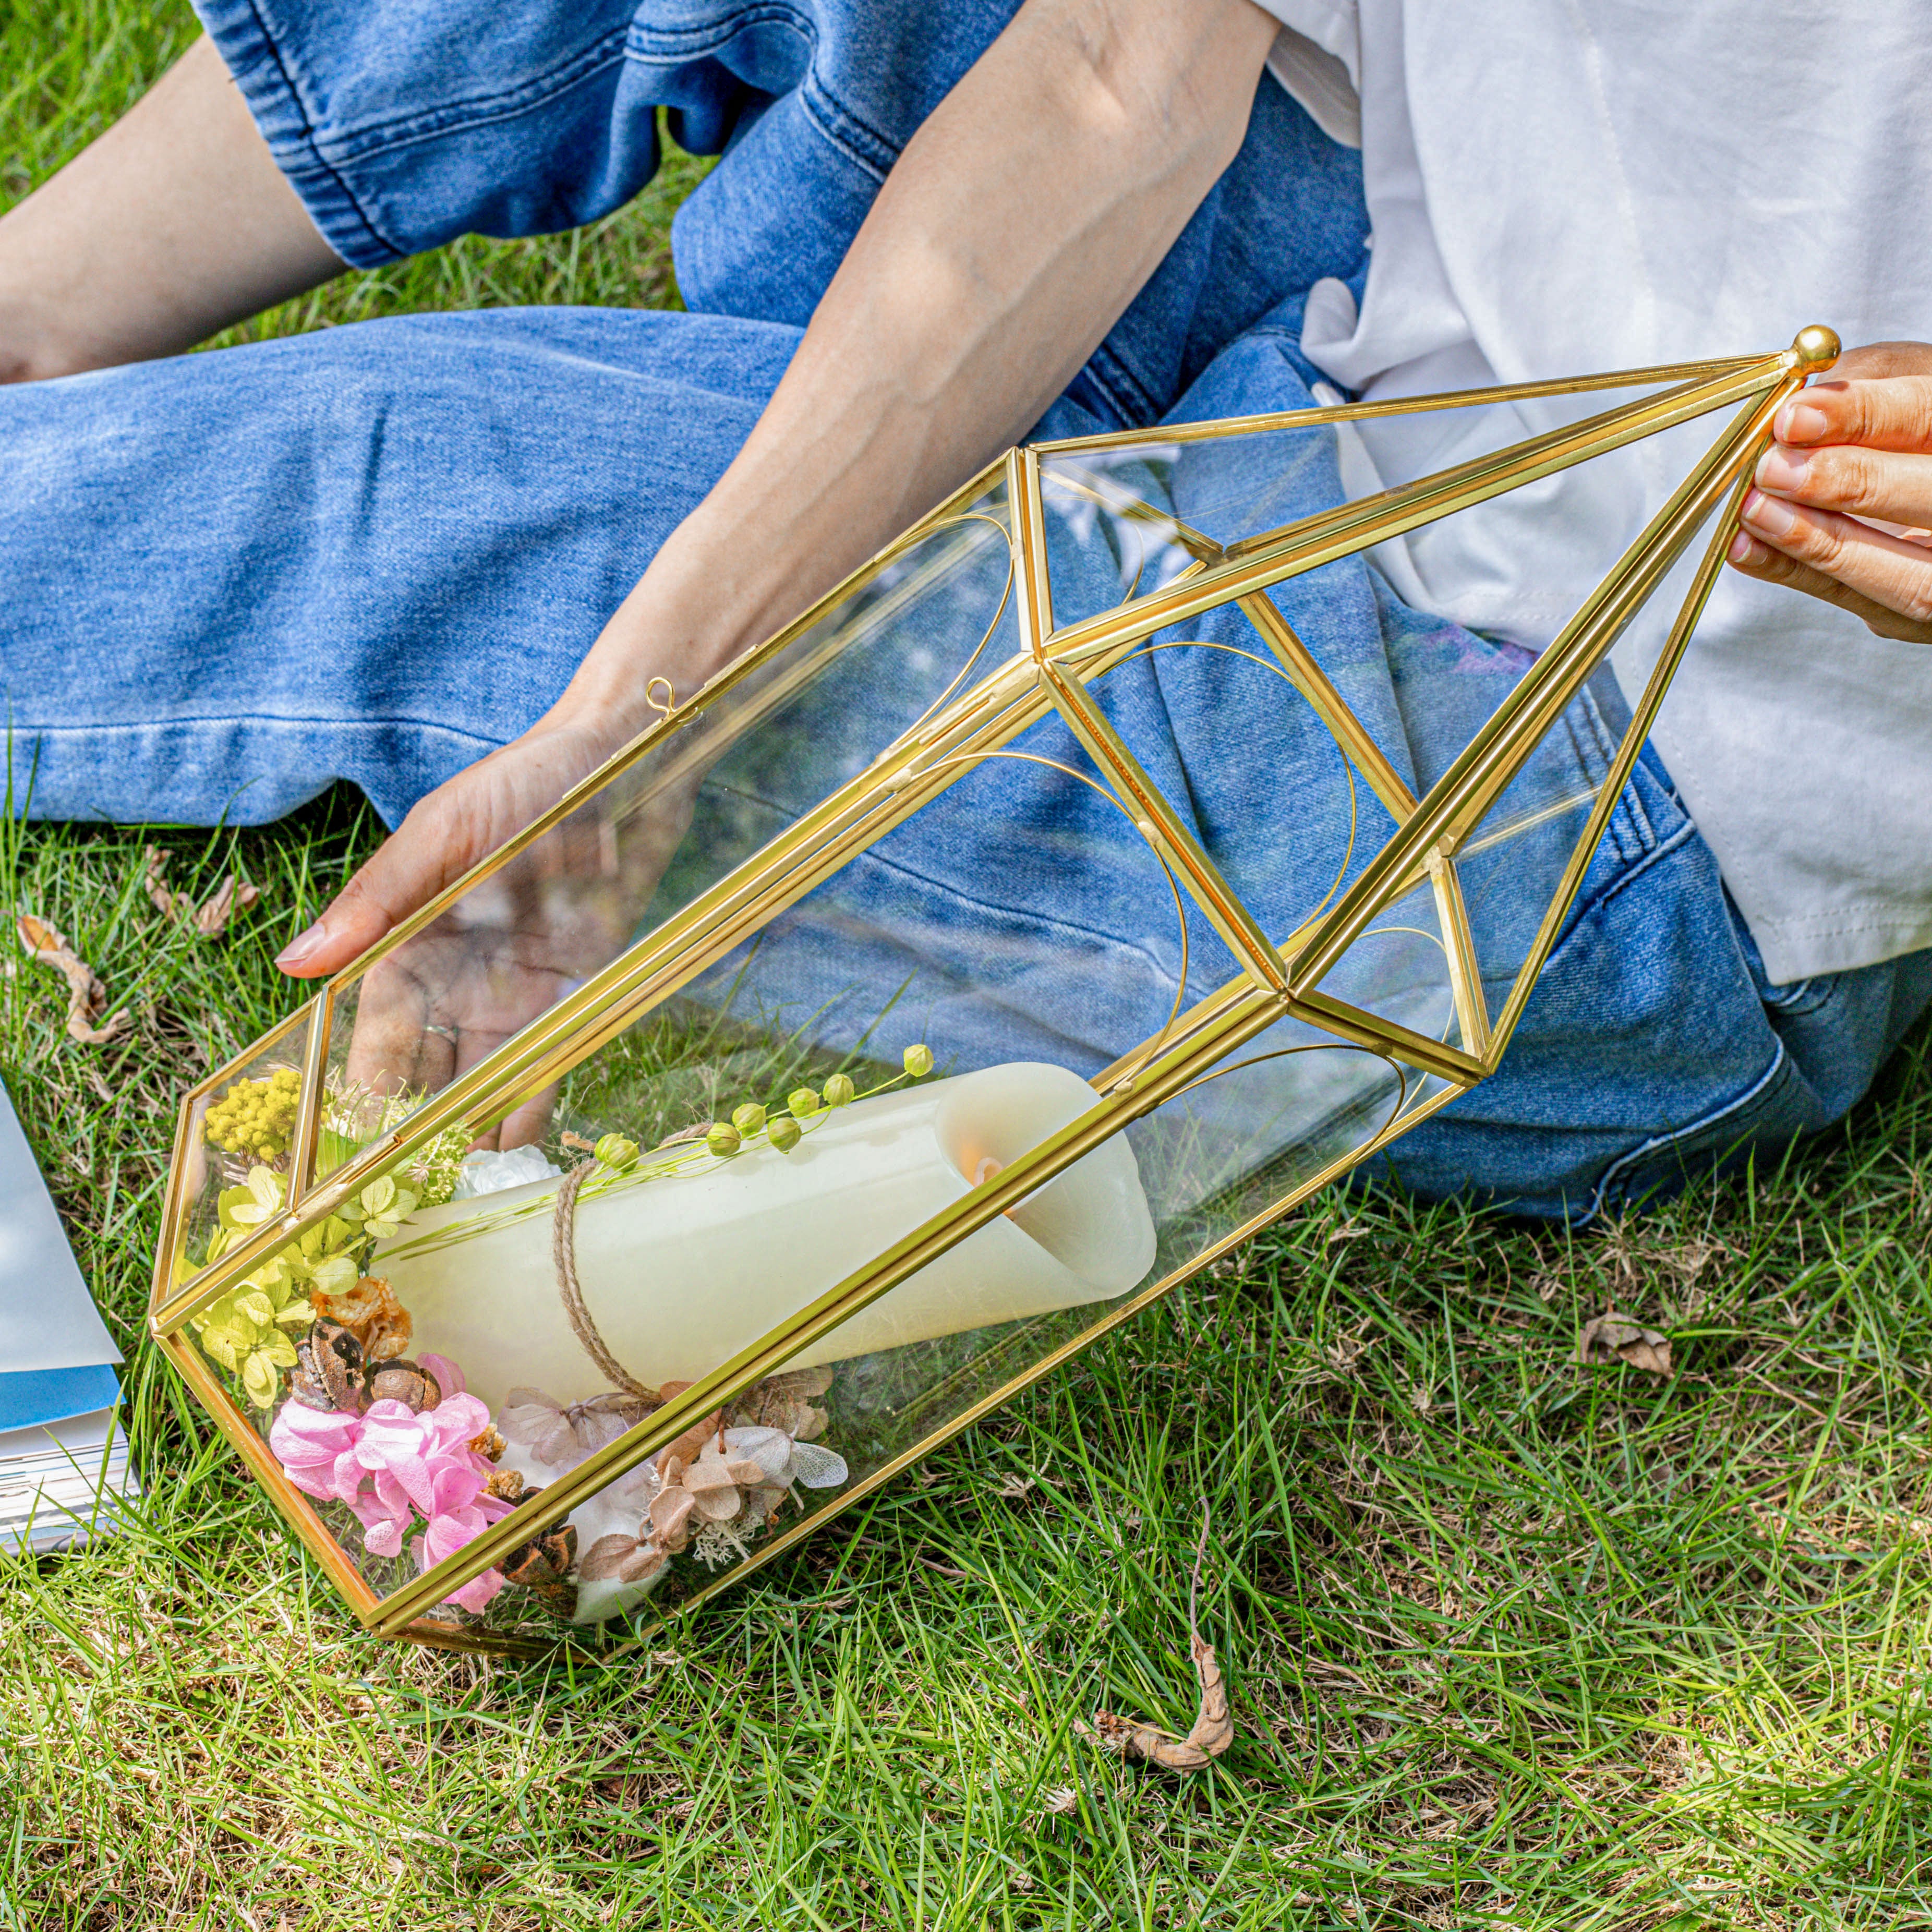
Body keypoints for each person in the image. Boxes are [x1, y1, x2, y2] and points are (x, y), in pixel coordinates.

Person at [4, 0, 1932, 1218]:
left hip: (1605, 787)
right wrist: (650, 702)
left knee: (427, 484)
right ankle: (33, 315)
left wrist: (645, 723)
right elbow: (1111, 72)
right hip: (1400, 304)